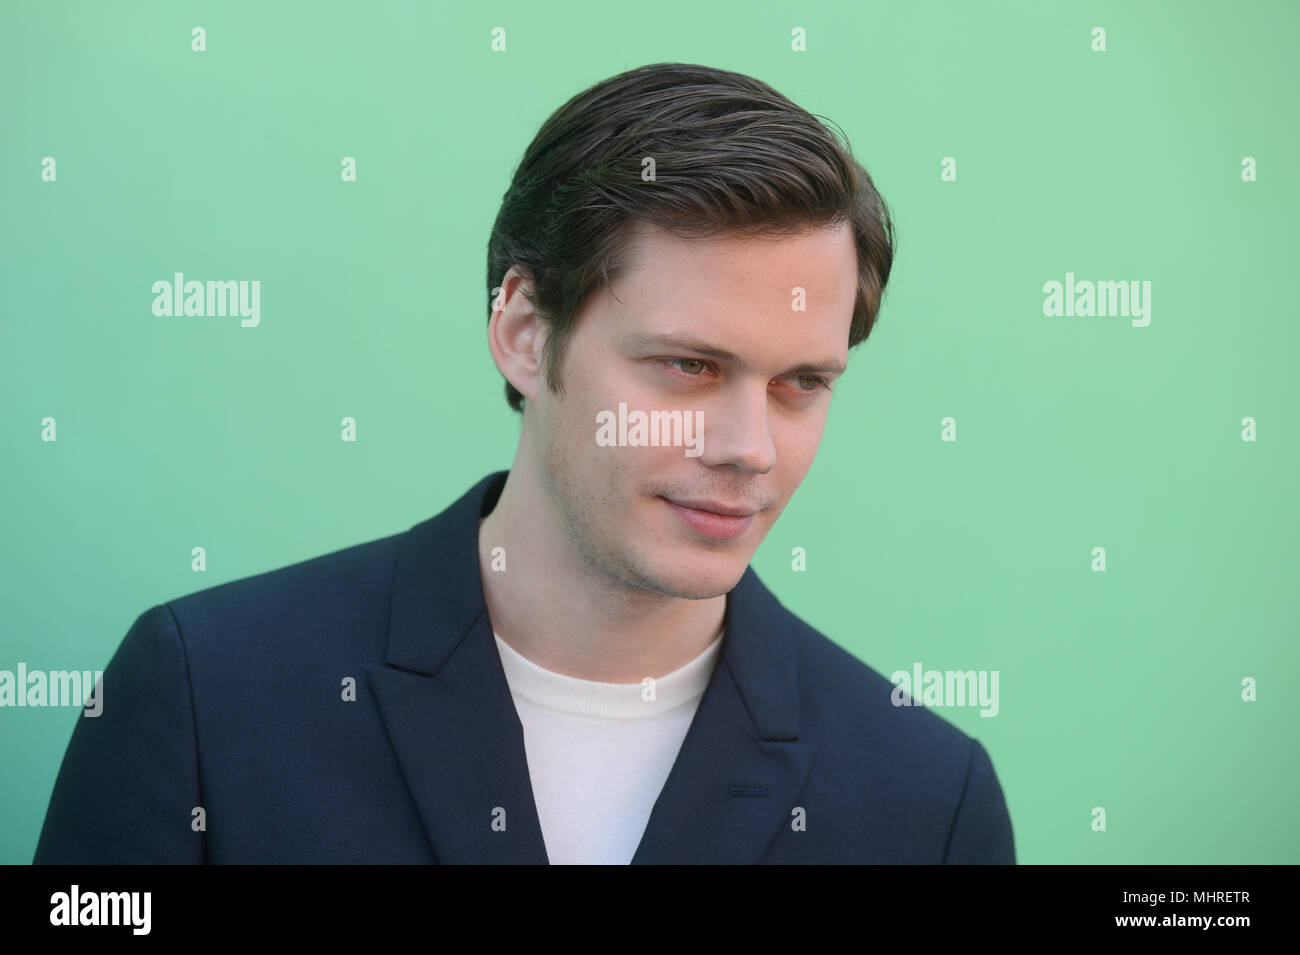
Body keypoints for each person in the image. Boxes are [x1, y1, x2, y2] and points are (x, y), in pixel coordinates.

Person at [34, 62, 1014, 864]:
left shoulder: (925, 801)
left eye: (801, 383)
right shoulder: (207, 696)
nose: (746, 448)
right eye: (686, 365)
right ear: (519, 329)